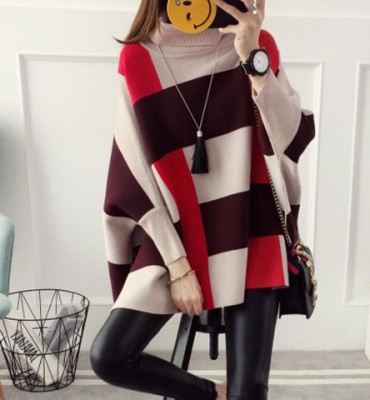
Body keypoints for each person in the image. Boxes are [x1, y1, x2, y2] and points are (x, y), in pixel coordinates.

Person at [90, 0, 315, 399]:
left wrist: (253, 60)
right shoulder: (138, 59)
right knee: (110, 356)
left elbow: (289, 140)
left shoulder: (256, 45)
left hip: (253, 228)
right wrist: (178, 267)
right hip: (177, 234)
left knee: (250, 393)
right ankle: (213, 395)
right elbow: (134, 176)